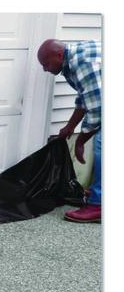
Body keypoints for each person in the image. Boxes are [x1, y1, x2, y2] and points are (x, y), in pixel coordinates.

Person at [37, 39, 101, 223]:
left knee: (102, 146)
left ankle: (98, 205)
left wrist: (80, 141)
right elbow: (85, 98)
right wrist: (70, 127)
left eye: (46, 64)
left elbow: (98, 108)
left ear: (59, 55)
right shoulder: (69, 62)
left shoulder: (83, 63)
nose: (45, 69)